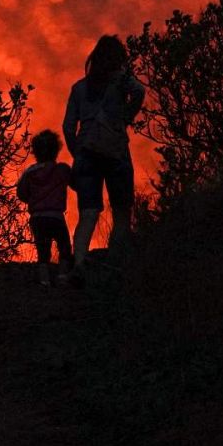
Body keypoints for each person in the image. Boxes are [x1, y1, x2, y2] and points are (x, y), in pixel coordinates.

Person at [63, 34, 145, 272]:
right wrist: (126, 117)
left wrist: (77, 152)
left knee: (88, 211)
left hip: (86, 153)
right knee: (121, 209)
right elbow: (139, 91)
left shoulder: (79, 88)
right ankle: (117, 259)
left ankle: (78, 262)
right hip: (116, 150)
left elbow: (68, 126)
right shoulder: (120, 81)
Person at [16, 129, 73, 287]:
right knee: (64, 246)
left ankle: (44, 279)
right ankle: (62, 276)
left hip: (37, 217)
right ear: (56, 149)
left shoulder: (30, 172)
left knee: (43, 248)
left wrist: (33, 198)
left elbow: (21, 193)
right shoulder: (62, 169)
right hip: (56, 216)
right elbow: (75, 183)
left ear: (35, 151)